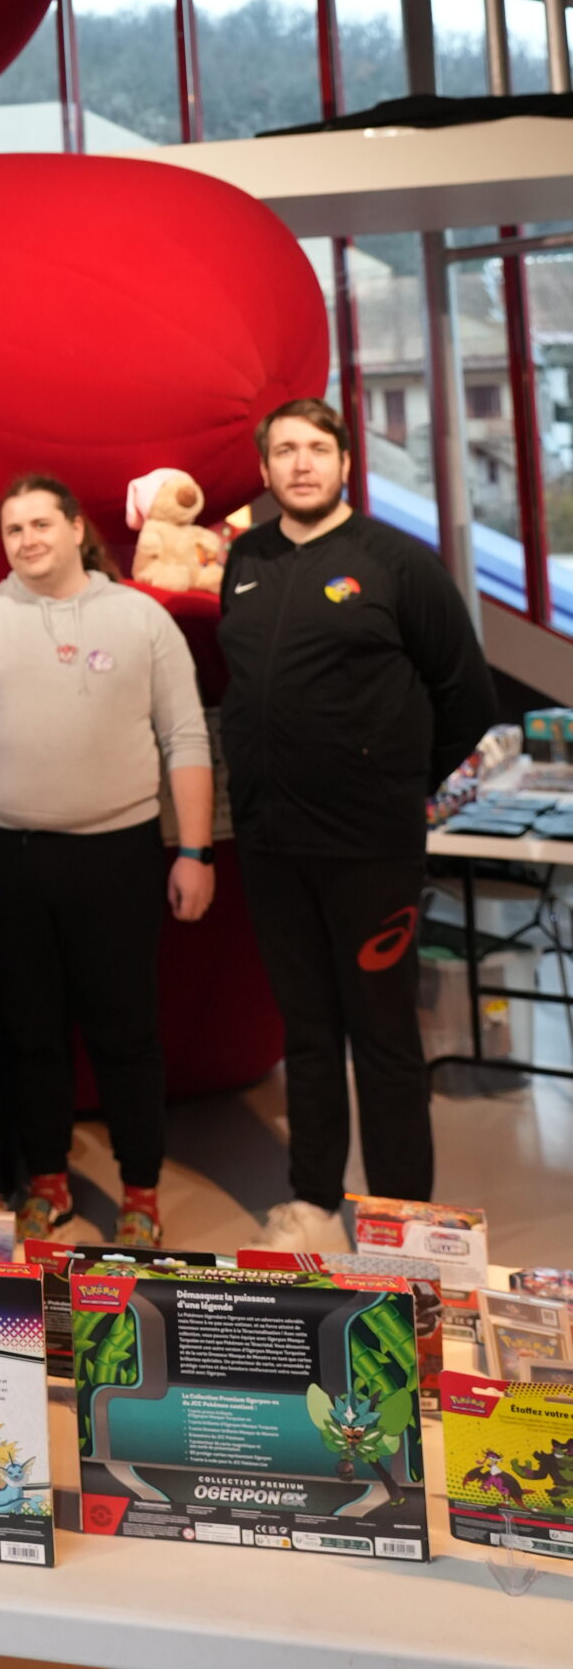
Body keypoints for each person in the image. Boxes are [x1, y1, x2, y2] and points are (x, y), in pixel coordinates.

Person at [219, 398, 496, 1255]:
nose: (299, 463)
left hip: (368, 849)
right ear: (264, 469)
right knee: (304, 1034)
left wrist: (396, 788)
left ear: (344, 461)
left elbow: (467, 697)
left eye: (315, 448)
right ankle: (310, 1199)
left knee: (381, 1038)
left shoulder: (397, 563)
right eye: (283, 451)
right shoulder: (245, 558)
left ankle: (401, 1219)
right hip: (270, 843)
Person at [0, 476, 214, 1248]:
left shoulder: (140, 617)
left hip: (118, 856)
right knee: (30, 1030)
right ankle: (47, 1180)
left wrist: (193, 849)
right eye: (11, 528)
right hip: (5, 855)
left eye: (39, 524)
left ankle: (141, 1189)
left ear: (76, 528)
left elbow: (184, 738)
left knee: (126, 1032)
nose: (25, 540)